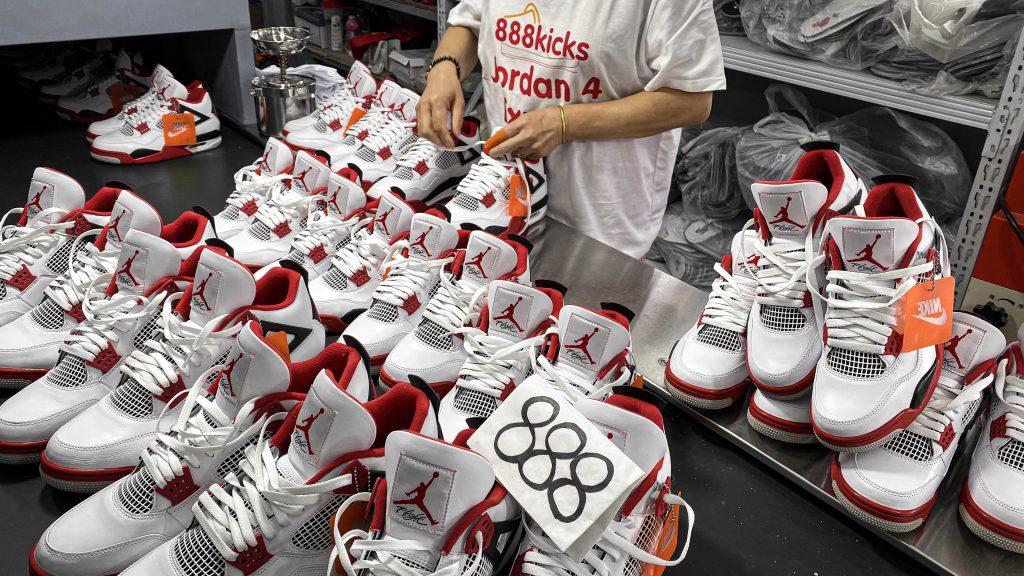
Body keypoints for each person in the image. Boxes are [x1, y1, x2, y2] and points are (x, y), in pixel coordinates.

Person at [416, 0, 726, 259]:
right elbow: (470, 22)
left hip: (598, 223)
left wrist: (564, 123)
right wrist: (444, 68)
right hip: (500, 200)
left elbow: (692, 100)